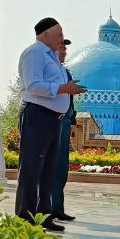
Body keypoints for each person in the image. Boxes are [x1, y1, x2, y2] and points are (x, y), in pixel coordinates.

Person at [15, 17, 84, 230]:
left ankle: (44, 216)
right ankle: (25, 217)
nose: (61, 39)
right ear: (45, 34)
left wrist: (68, 90)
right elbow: (33, 85)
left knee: (47, 170)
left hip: (54, 119)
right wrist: (64, 89)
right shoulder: (34, 54)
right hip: (38, 116)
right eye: (59, 34)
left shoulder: (51, 57)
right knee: (32, 168)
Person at [50, 39, 77, 222]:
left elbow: (70, 99)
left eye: (65, 49)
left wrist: (72, 121)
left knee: (61, 167)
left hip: (64, 123)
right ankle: (47, 208)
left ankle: (58, 208)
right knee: (49, 167)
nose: (64, 52)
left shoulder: (65, 72)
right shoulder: (48, 71)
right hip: (52, 122)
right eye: (61, 48)